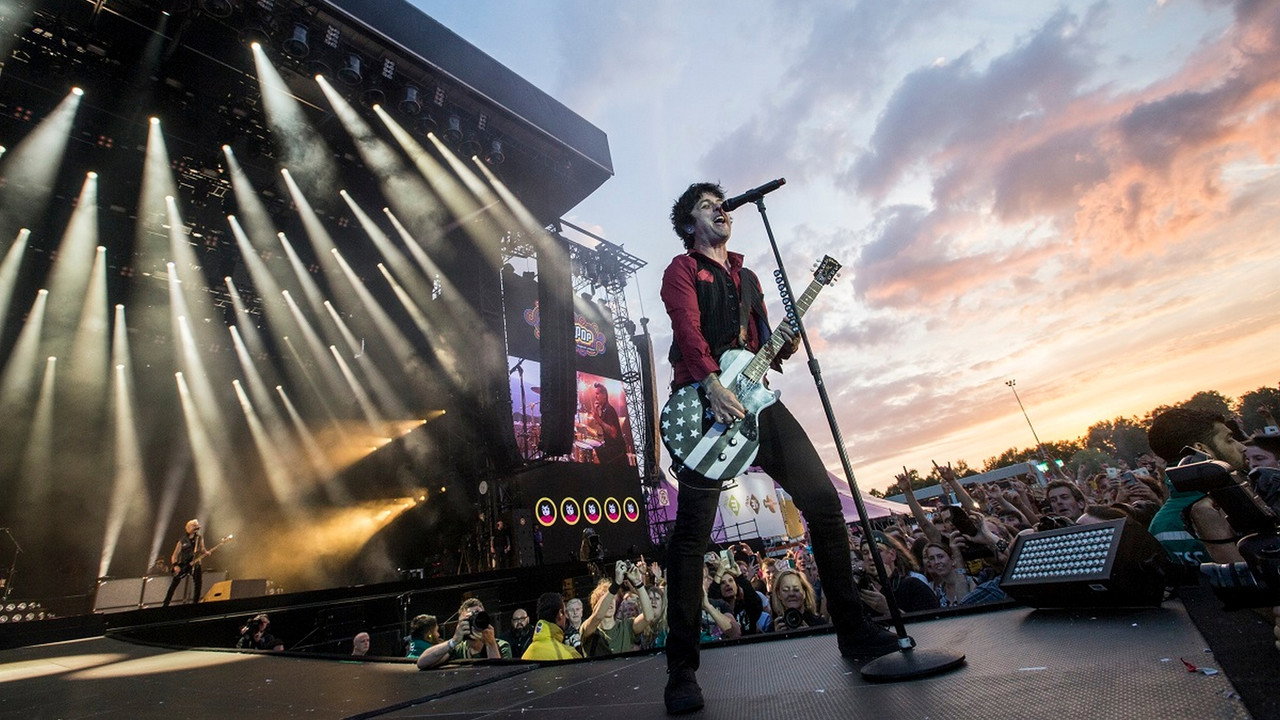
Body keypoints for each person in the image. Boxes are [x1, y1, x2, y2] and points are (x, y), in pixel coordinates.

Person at [659, 182, 898, 713]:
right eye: (705, 206)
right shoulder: (681, 270)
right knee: (692, 538)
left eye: (720, 204)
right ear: (689, 222)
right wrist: (711, 383)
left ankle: (854, 632)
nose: (719, 211)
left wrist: (785, 336)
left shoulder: (747, 277)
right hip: (705, 405)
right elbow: (687, 330)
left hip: (759, 404)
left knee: (824, 504)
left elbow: (767, 343)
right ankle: (681, 670)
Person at [1147, 408, 1248, 566]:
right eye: (1229, 439)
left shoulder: (1159, 527)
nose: (1242, 447)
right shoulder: (1245, 503)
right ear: (1201, 449)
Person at [416, 598, 512, 669]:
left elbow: (499, 675)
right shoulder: (458, 648)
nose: (473, 622)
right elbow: (422, 663)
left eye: (478, 617)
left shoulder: (502, 646)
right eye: (468, 620)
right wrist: (453, 641)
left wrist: (491, 644)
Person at [521, 592, 582, 660]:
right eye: (565, 612)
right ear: (560, 614)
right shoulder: (570, 654)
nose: (566, 618)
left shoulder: (526, 654)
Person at [163, 519, 206, 607]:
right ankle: (165, 604)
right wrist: (175, 566)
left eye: (196, 526)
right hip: (183, 564)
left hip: (195, 564)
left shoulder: (199, 538)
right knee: (173, 585)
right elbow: (174, 555)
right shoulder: (182, 540)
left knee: (198, 584)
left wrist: (206, 552)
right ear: (188, 528)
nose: (196, 528)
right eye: (193, 526)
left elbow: (202, 549)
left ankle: (195, 604)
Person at [587, 383, 627, 465]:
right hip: (610, 445)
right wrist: (597, 412)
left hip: (617, 449)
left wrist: (598, 418)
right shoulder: (604, 409)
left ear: (604, 395)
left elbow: (613, 433)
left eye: (597, 394)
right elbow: (600, 427)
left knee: (597, 454)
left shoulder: (609, 410)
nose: (596, 397)